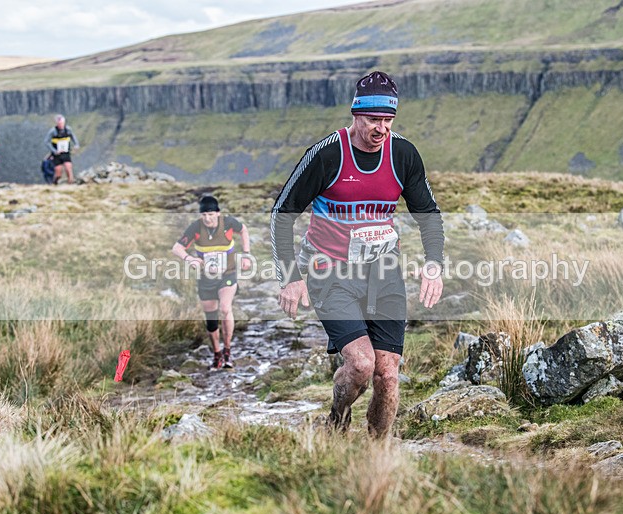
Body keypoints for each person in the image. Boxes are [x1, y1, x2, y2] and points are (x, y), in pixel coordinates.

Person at [270, 71, 445, 438]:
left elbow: (428, 214)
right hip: (330, 272)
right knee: (362, 365)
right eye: (373, 119)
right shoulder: (327, 154)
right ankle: (337, 418)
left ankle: (377, 455)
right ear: (356, 114)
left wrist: (433, 264)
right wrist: (290, 277)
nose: (381, 128)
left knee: (388, 374)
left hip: (384, 273)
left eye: (388, 119)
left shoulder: (403, 154)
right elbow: (282, 214)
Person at [172, 195, 252, 369]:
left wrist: (246, 254)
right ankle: (217, 353)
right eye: (204, 215)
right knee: (211, 319)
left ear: (218, 213)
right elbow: (177, 248)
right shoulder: (195, 228)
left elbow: (244, 230)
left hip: (227, 274)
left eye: (210, 214)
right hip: (206, 278)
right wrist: (189, 259)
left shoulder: (228, 223)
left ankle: (227, 350)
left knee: (225, 308)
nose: (207, 218)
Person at [45, 114, 80, 184]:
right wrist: (54, 151)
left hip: (66, 152)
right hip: (57, 154)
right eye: (59, 124)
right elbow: (46, 142)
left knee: (68, 169)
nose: (61, 125)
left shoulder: (68, 129)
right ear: (57, 123)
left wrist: (76, 145)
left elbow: (73, 137)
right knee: (58, 174)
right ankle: (54, 184)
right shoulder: (53, 131)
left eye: (62, 123)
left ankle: (70, 185)